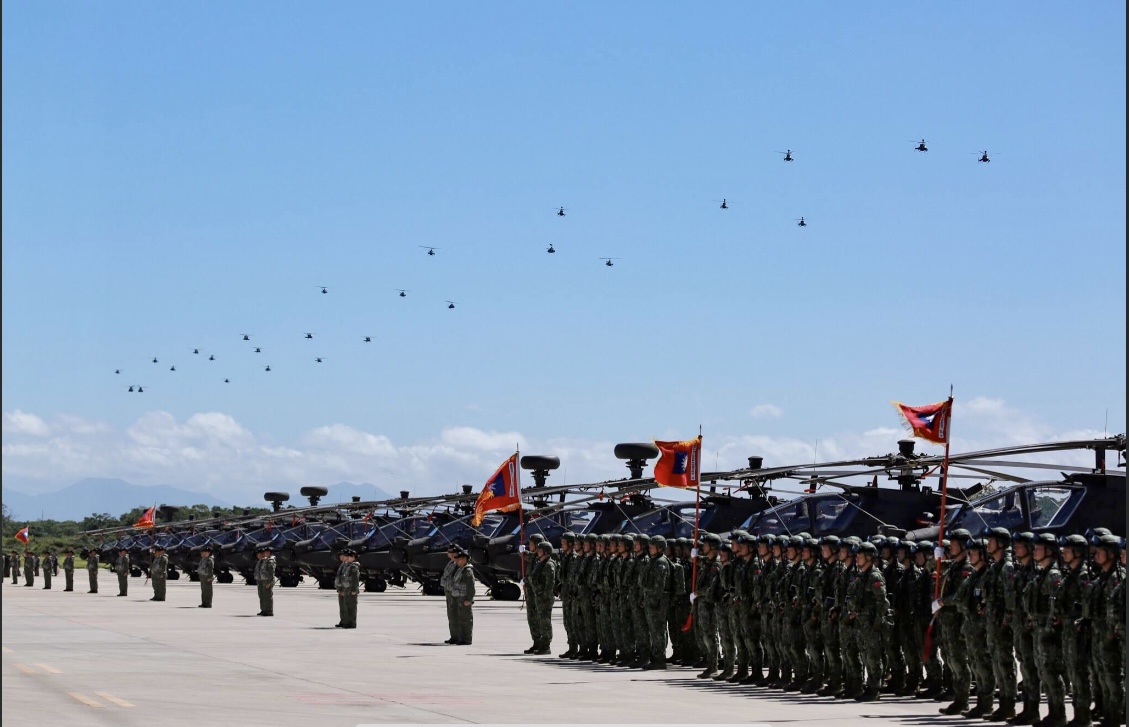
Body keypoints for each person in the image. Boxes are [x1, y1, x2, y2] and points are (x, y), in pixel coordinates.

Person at [527, 541, 558, 654]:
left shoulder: (549, 565)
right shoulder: (540, 563)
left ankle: (546, 645)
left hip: (545, 597)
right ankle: (539, 643)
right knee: (540, 620)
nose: (538, 552)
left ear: (546, 552)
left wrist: (545, 595)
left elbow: (550, 583)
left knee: (545, 621)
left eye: (540, 551)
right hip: (539, 596)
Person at [449, 547, 475, 645]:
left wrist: (469, 599)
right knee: (460, 618)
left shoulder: (467, 571)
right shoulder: (461, 569)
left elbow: (471, 586)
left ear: (464, 559)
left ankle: (467, 639)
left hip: (464, 598)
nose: (458, 561)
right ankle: (461, 638)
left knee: (466, 619)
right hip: (459, 597)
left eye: (460, 559)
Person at [335, 548, 360, 628]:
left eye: (348, 556)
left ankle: (351, 623)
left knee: (351, 607)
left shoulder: (354, 567)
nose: (346, 558)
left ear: (353, 557)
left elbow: (355, 579)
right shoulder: (345, 565)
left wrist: (354, 590)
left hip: (350, 588)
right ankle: (345, 621)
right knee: (344, 606)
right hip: (345, 587)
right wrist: (340, 588)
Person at [440, 545, 459, 643]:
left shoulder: (458, 564)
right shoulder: (451, 563)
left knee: (456, 615)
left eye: (451, 552)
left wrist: (445, 582)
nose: (449, 554)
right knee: (451, 615)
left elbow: (455, 579)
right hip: (448, 591)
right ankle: (454, 636)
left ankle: (459, 636)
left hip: (454, 592)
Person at [254, 545, 275, 616]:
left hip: (267, 580)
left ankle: (269, 611)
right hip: (262, 580)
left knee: (267, 596)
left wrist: (269, 582)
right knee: (262, 596)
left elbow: (271, 572)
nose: (264, 554)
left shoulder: (270, 561)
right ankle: (264, 610)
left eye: (266, 552)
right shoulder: (263, 560)